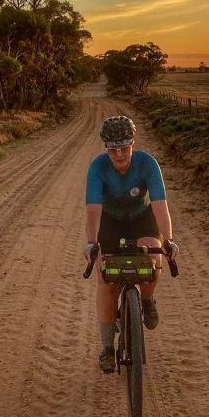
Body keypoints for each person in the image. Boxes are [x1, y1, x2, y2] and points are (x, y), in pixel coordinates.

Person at [84, 115, 179, 373]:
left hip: (141, 219)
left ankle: (146, 301)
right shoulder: (98, 168)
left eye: (124, 148)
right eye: (113, 149)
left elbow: (160, 206)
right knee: (106, 279)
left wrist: (168, 239)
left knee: (152, 261)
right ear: (106, 148)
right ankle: (106, 348)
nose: (119, 154)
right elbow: (93, 210)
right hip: (110, 222)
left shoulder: (148, 164)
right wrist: (92, 244)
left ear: (133, 143)